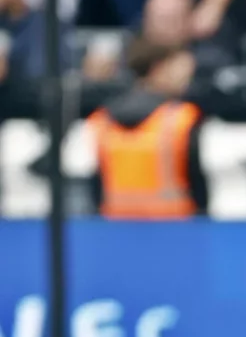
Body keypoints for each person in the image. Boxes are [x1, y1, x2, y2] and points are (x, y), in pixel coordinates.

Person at [87, 38, 207, 219]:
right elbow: (197, 181)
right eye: (179, 70)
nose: (186, 79)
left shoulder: (102, 119)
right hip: (176, 230)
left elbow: (97, 184)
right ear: (158, 69)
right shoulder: (182, 118)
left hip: (115, 229)